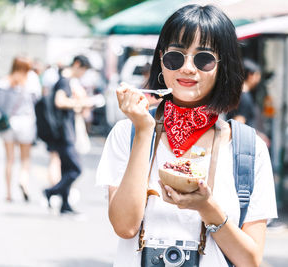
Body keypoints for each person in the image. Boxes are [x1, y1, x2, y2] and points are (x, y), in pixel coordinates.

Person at [96, 5, 277, 266]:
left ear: (223, 65)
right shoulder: (129, 133)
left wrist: (207, 207)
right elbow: (125, 226)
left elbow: (251, 261)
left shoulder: (249, 149)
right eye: (175, 57)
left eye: (203, 58)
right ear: (161, 60)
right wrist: (145, 131)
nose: (188, 68)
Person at [43, 55, 92, 214]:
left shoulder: (64, 80)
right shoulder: (64, 81)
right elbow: (60, 102)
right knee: (75, 169)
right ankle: (50, 191)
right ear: (77, 65)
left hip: (64, 131)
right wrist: (81, 103)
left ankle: (65, 204)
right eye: (83, 70)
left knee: (66, 168)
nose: (83, 74)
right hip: (64, 132)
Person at [0, 56, 41, 202]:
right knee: (25, 158)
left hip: (9, 124)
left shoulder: (4, 82)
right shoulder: (31, 83)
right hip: (26, 123)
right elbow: (37, 100)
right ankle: (23, 180)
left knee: (9, 159)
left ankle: (8, 193)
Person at [226, 59, 270, 147]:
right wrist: (257, 136)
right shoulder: (244, 97)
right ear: (250, 75)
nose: (258, 79)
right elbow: (238, 124)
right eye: (257, 75)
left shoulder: (238, 94)